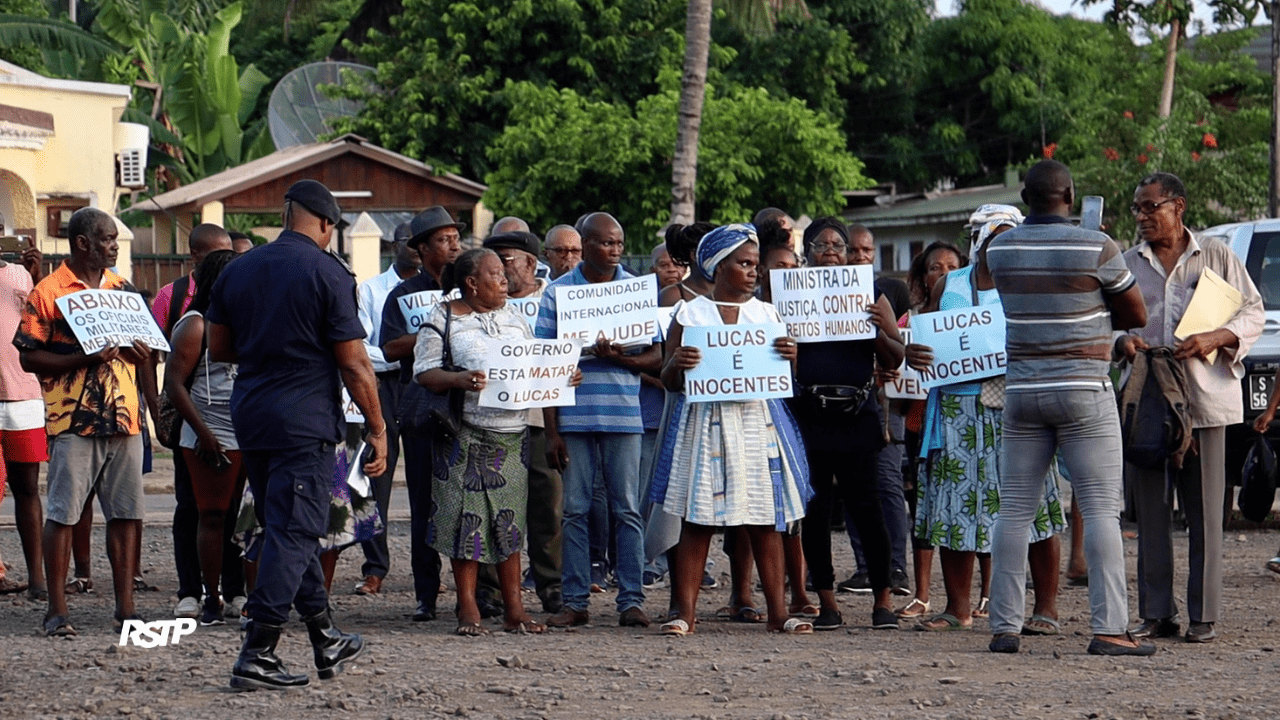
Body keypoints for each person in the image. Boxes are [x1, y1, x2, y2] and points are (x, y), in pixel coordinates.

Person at [209, 179, 386, 689]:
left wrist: (273, 348)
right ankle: (257, 651)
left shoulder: (238, 268)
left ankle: (325, 636)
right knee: (297, 530)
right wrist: (377, 428)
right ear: (326, 224)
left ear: (287, 215)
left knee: (288, 524)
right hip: (303, 419)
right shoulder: (328, 272)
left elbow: (219, 349)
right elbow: (353, 362)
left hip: (253, 415)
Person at [984, 159, 1152, 656]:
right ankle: (1108, 629)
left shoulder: (1001, 249)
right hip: (1083, 391)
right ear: (1071, 196)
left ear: (1025, 199)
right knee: (1101, 509)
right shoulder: (1096, 245)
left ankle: (1004, 628)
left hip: (1021, 394)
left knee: (1012, 511)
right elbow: (1136, 314)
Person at [1117, 172, 1263, 644]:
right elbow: (1103, 323)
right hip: (1147, 397)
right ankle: (1157, 613)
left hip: (1204, 398)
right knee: (1152, 514)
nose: (1141, 217)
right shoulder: (1125, 264)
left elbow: (1252, 311)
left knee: (1204, 513)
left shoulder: (1217, 256)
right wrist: (1124, 341)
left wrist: (1216, 337)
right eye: (1137, 208)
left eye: (1149, 207)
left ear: (1178, 207)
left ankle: (1204, 616)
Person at [905, 205, 1065, 633]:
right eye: (992, 237)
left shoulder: (1033, 283)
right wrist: (916, 353)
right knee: (956, 511)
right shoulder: (949, 285)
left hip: (1019, 408)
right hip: (958, 411)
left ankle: (1045, 609)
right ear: (978, 240)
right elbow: (930, 339)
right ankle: (957, 609)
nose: (1002, 246)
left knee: (1035, 510)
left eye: (1010, 236)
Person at [652, 224, 813, 636]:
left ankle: (778, 613)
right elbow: (668, 379)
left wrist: (791, 355)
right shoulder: (689, 314)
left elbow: (782, 378)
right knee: (699, 518)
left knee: (764, 516)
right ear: (718, 267)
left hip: (757, 424)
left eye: (754, 265)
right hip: (705, 424)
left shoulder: (766, 313)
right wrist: (678, 365)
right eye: (743, 264)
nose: (752, 272)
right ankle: (684, 613)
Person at [415, 248, 577, 635]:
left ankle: (515, 610)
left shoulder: (514, 318)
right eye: (495, 274)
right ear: (471, 283)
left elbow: (536, 370)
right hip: (463, 434)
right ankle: (467, 607)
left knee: (509, 524)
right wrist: (458, 379)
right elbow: (424, 373)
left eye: (504, 274)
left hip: (512, 438)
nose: (504, 280)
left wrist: (561, 377)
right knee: (466, 521)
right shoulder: (443, 319)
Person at [15, 207, 154, 636]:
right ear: (83, 243)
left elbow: (144, 350)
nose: (115, 246)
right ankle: (56, 611)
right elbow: (27, 355)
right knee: (64, 513)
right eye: (109, 239)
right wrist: (84, 357)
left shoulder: (121, 288)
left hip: (125, 418)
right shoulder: (48, 291)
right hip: (73, 420)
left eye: (114, 240)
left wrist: (143, 362)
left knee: (127, 514)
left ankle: (126, 611)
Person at [536, 212, 661, 629]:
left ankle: (631, 600)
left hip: (625, 415)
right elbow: (546, 362)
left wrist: (617, 357)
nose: (615, 251)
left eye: (619, 244)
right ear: (585, 245)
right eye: (606, 243)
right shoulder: (557, 293)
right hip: (574, 418)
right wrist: (551, 431)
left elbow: (657, 358)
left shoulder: (636, 289)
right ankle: (575, 601)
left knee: (627, 509)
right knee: (573, 510)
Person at [788, 217, 903, 631]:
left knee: (868, 509)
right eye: (823, 245)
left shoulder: (871, 294)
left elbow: (895, 358)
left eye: (840, 244)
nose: (833, 251)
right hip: (810, 414)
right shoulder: (790, 297)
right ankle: (827, 603)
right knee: (815, 512)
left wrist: (874, 329)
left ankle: (883, 600)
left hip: (857, 415)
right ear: (808, 252)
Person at [379, 205, 463, 622]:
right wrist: (433, 333)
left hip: (469, 407)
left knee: (472, 500)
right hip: (424, 411)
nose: (453, 247)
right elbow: (390, 348)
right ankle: (426, 593)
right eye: (445, 240)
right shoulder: (403, 294)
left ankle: (477, 593)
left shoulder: (470, 287)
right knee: (423, 502)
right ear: (423, 248)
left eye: (456, 239)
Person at [151, 223, 236, 620]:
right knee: (200, 512)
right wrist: (202, 431)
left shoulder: (239, 320)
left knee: (236, 515)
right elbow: (172, 380)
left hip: (239, 432)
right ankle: (198, 592)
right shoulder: (188, 315)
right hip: (203, 431)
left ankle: (235, 591)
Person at [478, 230, 564, 614]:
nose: (499, 269)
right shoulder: (480, 305)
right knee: (493, 506)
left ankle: (551, 586)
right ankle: (491, 590)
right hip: (493, 421)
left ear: (531, 262)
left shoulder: (557, 300)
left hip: (541, 419)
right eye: (492, 263)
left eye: (506, 260)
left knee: (548, 509)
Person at [838, 224, 912, 598]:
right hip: (846, 404)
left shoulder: (887, 292)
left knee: (887, 485)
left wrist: (884, 342)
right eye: (853, 250)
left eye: (867, 251)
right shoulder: (824, 294)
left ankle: (895, 567)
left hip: (885, 406)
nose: (860, 257)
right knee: (854, 490)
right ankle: (865, 568)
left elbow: (901, 347)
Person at [894, 240, 966, 620]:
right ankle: (922, 594)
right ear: (923, 277)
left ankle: (984, 596)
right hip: (921, 425)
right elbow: (896, 386)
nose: (944, 274)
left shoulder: (977, 321)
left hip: (963, 424)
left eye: (952, 267)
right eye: (935, 268)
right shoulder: (910, 323)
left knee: (974, 508)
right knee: (921, 509)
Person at [351, 222, 421, 597]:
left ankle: (427, 572)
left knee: (426, 483)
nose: (413, 248)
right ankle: (375, 567)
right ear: (394, 246)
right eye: (407, 241)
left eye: (419, 242)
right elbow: (363, 348)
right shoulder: (372, 289)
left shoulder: (435, 290)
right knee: (375, 478)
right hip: (383, 388)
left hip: (424, 387)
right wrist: (402, 353)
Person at [0, 237, 48, 598]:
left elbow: (44, 328)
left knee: (28, 490)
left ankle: (37, 579)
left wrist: (38, 276)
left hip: (23, 396)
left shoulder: (20, 275)